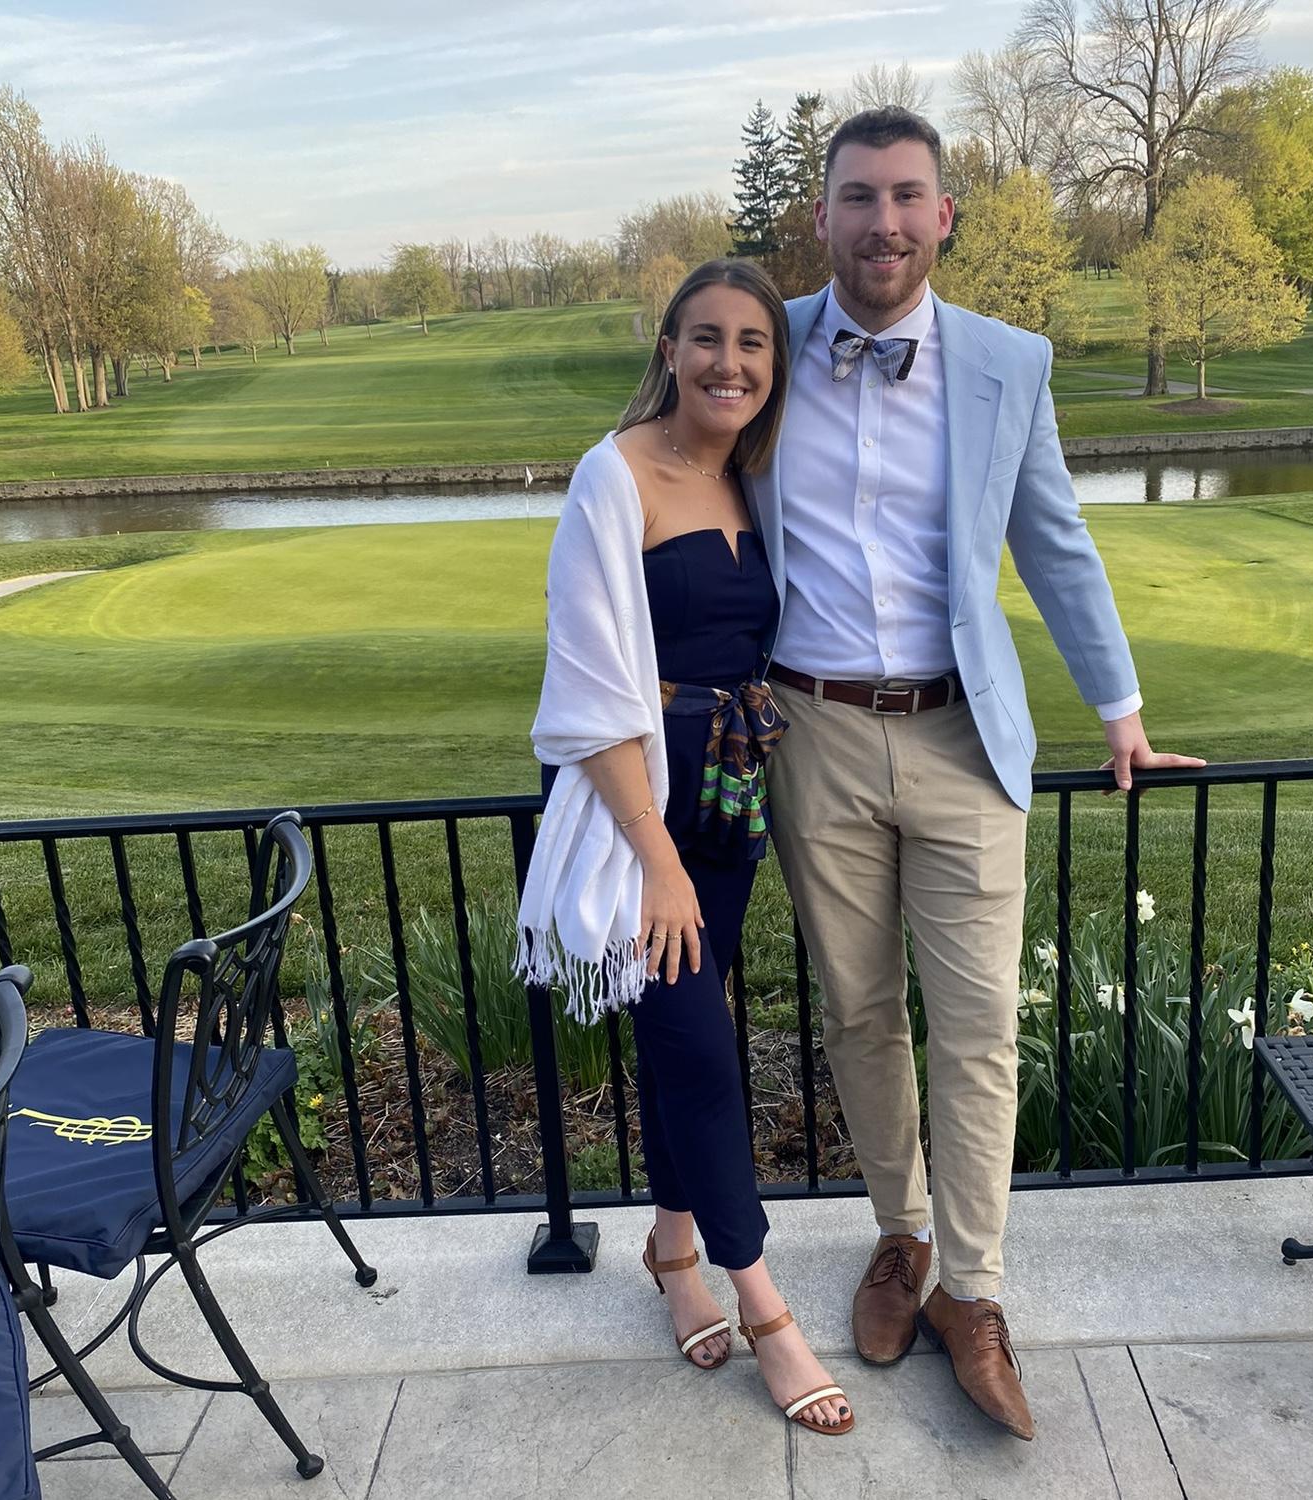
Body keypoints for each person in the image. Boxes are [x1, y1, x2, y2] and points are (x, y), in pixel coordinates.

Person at [747, 108, 1205, 1441]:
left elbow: (1056, 542)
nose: (882, 221)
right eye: (857, 197)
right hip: (813, 731)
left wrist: (1120, 709)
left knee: (980, 1024)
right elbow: (680, 487)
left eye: (907, 196)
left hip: (964, 737)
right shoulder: (763, 344)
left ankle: (977, 1290)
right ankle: (901, 1239)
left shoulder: (1009, 361)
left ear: (943, 215)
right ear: (822, 217)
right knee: (856, 1011)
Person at [516, 259, 854, 1436]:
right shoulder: (612, 478)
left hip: (727, 802)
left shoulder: (754, 477)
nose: (729, 362)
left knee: (680, 1047)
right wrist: (655, 859)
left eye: (753, 343)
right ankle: (765, 1306)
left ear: (774, 365)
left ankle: (672, 1249)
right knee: (705, 1057)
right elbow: (587, 690)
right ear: (669, 349)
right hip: (639, 818)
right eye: (707, 338)